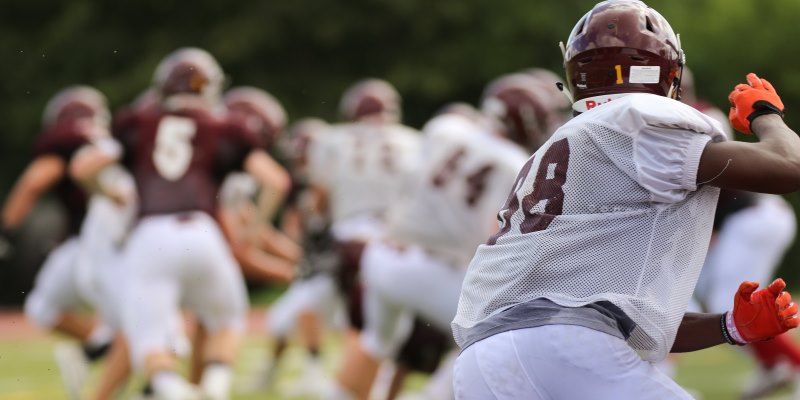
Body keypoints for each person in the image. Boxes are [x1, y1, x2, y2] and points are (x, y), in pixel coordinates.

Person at [451, 1, 800, 399]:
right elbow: (788, 166)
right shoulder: (636, 120)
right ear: (667, 70)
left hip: (482, 361)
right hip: (565, 348)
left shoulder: (562, 147)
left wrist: (729, 326)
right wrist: (766, 114)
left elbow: (607, 316)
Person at [71, 47, 289, 400]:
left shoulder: (137, 122)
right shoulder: (224, 126)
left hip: (148, 237)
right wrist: (253, 230)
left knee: (150, 342)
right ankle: (214, 388)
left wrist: (107, 192)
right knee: (228, 321)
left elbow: (83, 168)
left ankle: (172, 390)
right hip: (201, 231)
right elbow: (276, 181)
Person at [2, 86, 119, 400]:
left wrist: (6, 231)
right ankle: (103, 347)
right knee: (139, 325)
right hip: (127, 244)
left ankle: (103, 348)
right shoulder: (117, 139)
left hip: (89, 244)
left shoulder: (65, 142)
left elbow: (33, 182)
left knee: (42, 307)